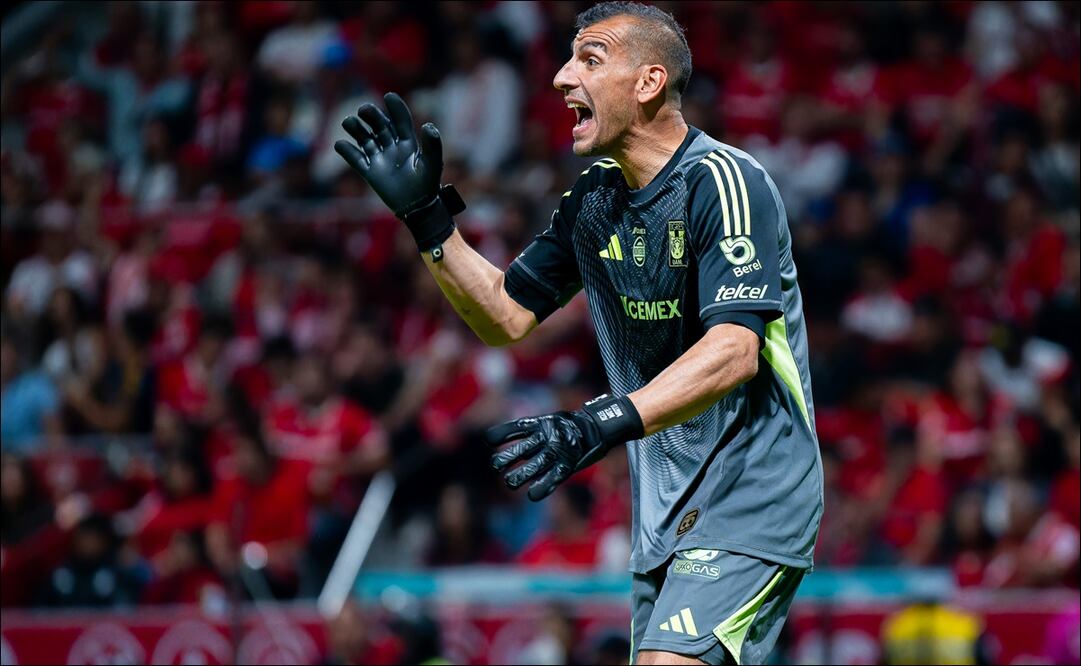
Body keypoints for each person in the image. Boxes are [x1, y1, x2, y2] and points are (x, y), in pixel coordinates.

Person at [335, 3, 822, 664]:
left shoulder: (723, 181)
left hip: (753, 494)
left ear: (648, 82)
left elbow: (733, 352)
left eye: (588, 60)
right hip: (663, 519)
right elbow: (506, 316)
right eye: (566, 59)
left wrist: (598, 423)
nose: (562, 78)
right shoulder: (593, 199)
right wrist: (428, 222)